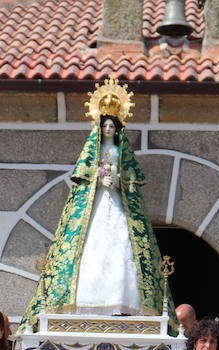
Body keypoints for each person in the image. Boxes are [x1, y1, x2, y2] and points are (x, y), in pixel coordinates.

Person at [20, 77, 170, 332]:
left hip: (117, 200)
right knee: (92, 244)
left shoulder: (121, 153)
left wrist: (118, 182)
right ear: (100, 128)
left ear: (118, 128)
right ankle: (86, 301)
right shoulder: (94, 153)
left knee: (120, 245)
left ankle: (120, 300)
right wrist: (99, 181)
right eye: (106, 125)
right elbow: (84, 176)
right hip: (97, 200)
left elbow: (132, 181)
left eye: (113, 125)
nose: (109, 129)